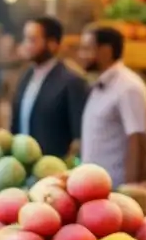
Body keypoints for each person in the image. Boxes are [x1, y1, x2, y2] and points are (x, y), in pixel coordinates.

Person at [78, 26, 146, 187]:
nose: (80, 55)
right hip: (93, 185)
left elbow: (137, 139)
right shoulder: (100, 84)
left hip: (115, 187)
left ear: (106, 51)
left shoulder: (128, 87)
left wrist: (132, 190)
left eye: (86, 49)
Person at [11, 17, 89, 159]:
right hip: (21, 164)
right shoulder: (26, 75)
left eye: (32, 40)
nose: (26, 45)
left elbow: (79, 135)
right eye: (25, 39)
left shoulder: (71, 81)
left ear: (52, 44)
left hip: (52, 166)